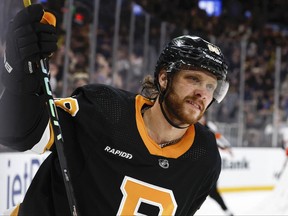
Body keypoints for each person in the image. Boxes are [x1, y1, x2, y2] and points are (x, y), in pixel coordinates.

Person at [0, 4, 230, 216]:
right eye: (193, 78)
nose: (203, 92)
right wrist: (22, 79)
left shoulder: (205, 156)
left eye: (211, 86)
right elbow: (19, 132)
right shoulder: (105, 109)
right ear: (163, 78)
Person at [199, 115, 234, 216]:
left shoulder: (210, 128)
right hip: (198, 165)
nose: (201, 119)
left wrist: (226, 147)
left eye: (202, 117)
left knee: (212, 191)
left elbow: (219, 138)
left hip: (209, 165)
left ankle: (226, 211)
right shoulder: (193, 128)